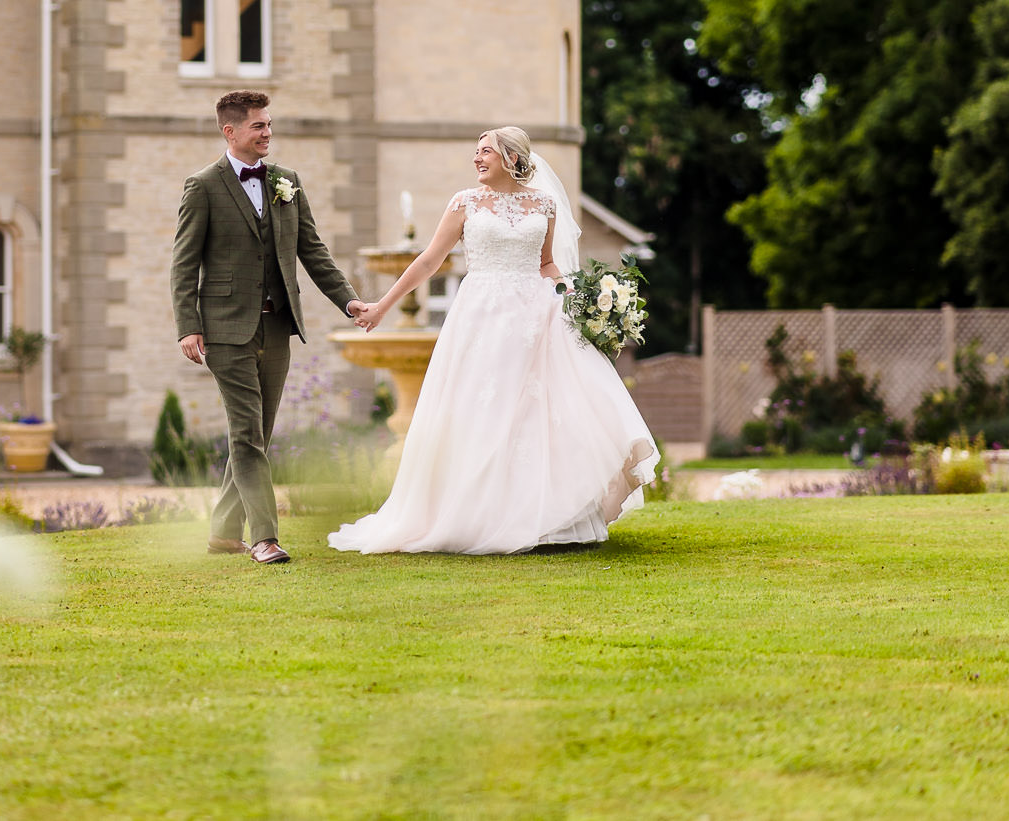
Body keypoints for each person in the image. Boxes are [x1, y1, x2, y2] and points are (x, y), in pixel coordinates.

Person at [328, 127, 657, 555]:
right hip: (482, 315)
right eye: (476, 152)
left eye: (485, 152)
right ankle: (475, 516)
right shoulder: (464, 203)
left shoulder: (544, 203)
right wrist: (382, 306)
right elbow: (430, 260)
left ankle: (549, 521)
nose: (477, 159)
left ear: (511, 157)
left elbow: (547, 265)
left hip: (537, 317)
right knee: (485, 409)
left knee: (537, 412)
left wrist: (576, 299)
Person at [170, 90, 374, 565]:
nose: (267, 133)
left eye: (268, 124)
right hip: (223, 329)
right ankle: (263, 537)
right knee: (245, 433)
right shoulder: (202, 186)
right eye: (258, 126)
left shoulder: (287, 182)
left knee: (256, 434)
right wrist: (188, 326)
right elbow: (184, 264)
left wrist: (349, 301)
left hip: (277, 326)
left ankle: (223, 532)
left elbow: (313, 251)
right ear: (231, 131)